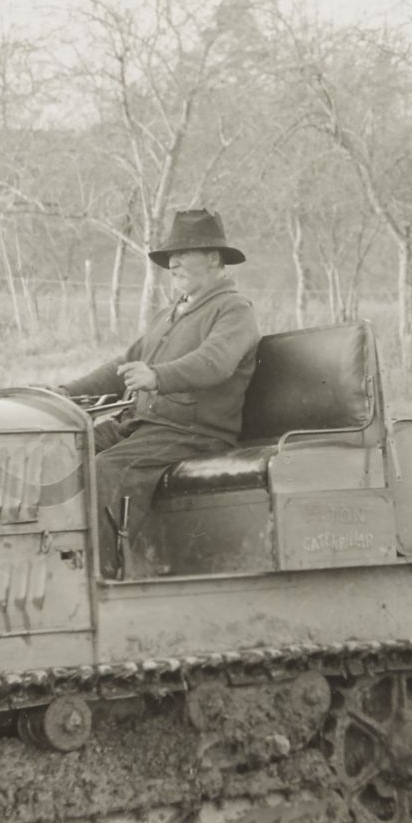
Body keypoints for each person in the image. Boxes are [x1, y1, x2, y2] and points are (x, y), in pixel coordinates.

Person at [61, 208, 260, 578]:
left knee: (108, 469)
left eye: (184, 253)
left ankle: (100, 578)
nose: (174, 263)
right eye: (171, 256)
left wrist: (157, 377)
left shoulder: (234, 310)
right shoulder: (170, 315)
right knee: (63, 449)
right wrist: (64, 393)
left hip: (192, 434)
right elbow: (125, 365)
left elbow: (215, 362)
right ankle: (55, 560)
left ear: (214, 258)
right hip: (142, 426)